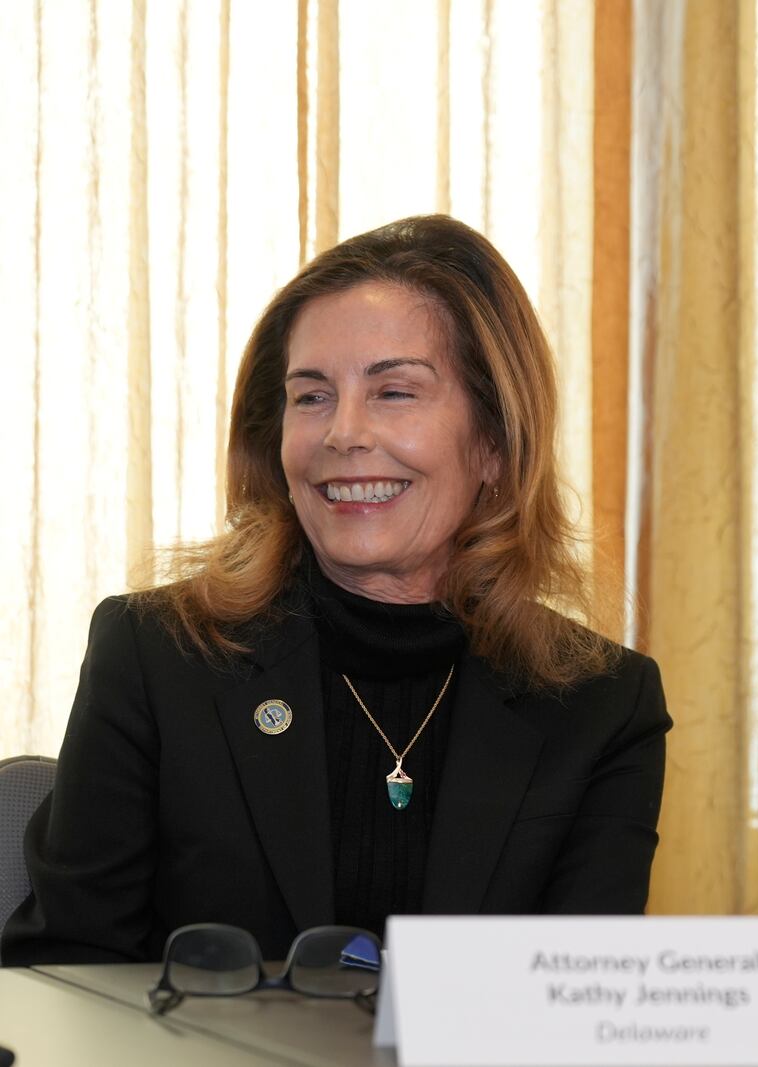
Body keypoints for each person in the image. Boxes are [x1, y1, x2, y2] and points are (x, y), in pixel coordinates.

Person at [3, 216, 670, 965]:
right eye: (312, 396)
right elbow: (64, 977)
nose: (344, 433)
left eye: (393, 391)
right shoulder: (157, 654)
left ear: (493, 442)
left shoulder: (605, 705)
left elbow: (574, 1015)